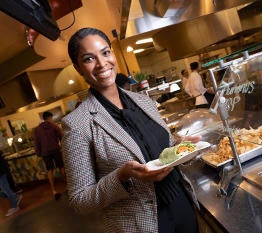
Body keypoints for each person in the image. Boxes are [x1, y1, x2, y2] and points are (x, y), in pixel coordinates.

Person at [62, 27, 201, 233]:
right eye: (89, 59)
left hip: (182, 204)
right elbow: (79, 200)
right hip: (141, 225)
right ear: (78, 67)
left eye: (105, 52)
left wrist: (180, 148)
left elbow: (164, 151)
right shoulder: (76, 124)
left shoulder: (144, 101)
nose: (102, 63)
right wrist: (121, 176)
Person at [34, 111, 65, 200]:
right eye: (51, 118)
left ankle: (53, 190)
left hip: (45, 153)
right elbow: (62, 137)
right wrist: (62, 146)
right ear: (50, 118)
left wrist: (38, 153)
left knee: (49, 170)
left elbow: (36, 143)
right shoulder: (54, 126)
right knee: (61, 167)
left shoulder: (37, 129)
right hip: (55, 150)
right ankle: (67, 186)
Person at [0, 150, 22, 217]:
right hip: (1, 169)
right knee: (5, 189)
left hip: (0, 170)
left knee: (6, 189)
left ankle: (15, 206)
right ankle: (15, 197)